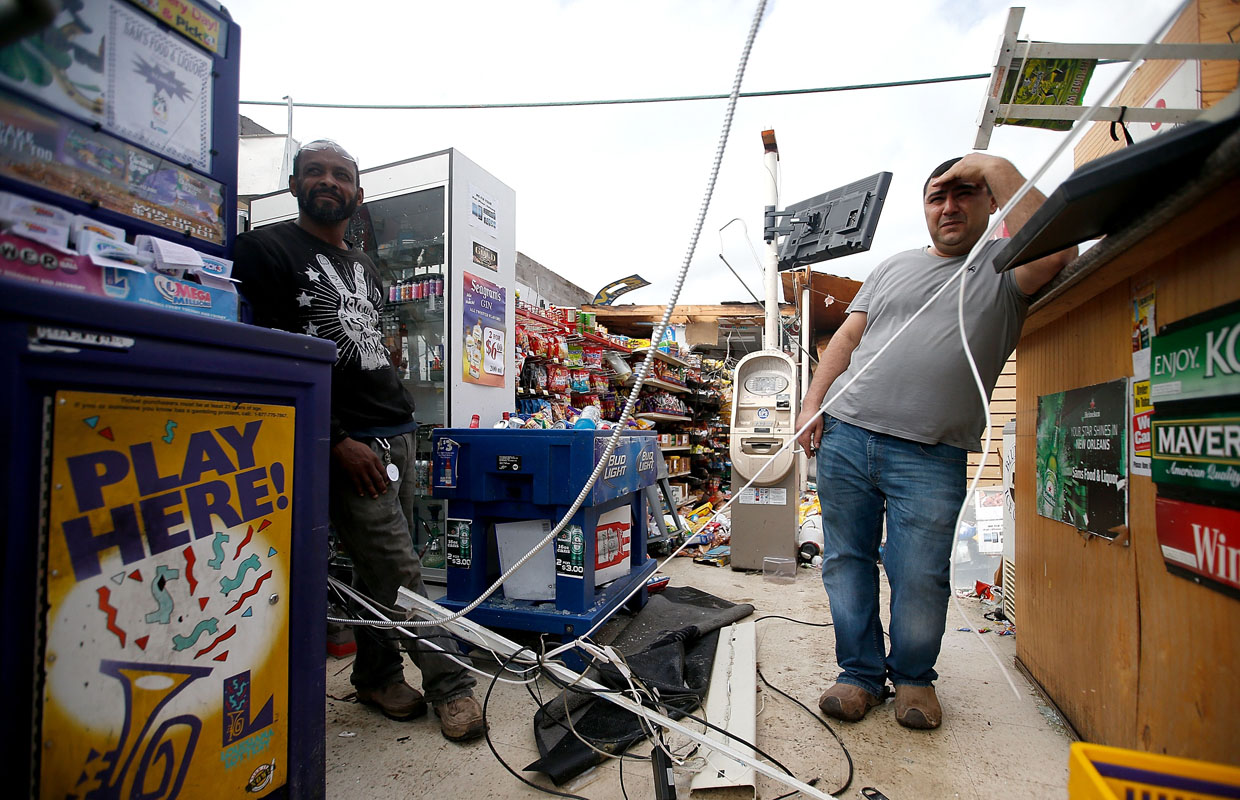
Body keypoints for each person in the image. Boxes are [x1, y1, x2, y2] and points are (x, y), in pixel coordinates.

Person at [794, 154, 1075, 730]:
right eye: (936, 197)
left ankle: (915, 679)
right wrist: (811, 405)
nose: (948, 206)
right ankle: (859, 676)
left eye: (965, 193)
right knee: (846, 561)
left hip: (929, 453)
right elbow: (848, 338)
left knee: (919, 572)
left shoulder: (1006, 266)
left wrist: (994, 164)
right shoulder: (892, 267)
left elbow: (1060, 247)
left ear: (991, 201)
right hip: (846, 434)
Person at [232, 140, 485, 742]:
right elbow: (268, 358)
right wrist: (334, 439)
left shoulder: (366, 266)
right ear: (294, 184)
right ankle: (452, 686)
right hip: (344, 441)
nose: (329, 182)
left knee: (381, 572)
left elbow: (370, 347)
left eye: (341, 175)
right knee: (402, 575)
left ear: (357, 194)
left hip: (397, 433)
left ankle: (375, 674)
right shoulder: (264, 250)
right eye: (315, 172)